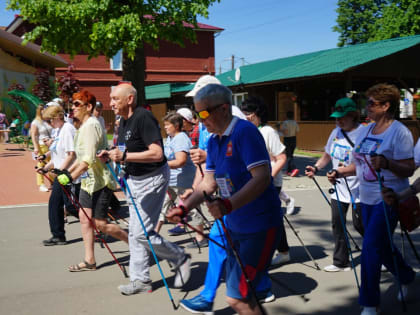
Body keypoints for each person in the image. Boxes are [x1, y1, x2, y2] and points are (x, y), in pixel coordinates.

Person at [167, 84, 283, 315]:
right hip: (235, 227)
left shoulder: (245, 132)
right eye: (196, 113)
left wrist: (228, 204)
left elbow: (261, 179)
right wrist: (183, 207)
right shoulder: (214, 140)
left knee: (237, 298)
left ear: (223, 109)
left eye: (203, 113)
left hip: (260, 227)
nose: (200, 120)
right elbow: (208, 183)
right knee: (241, 297)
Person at [328, 84, 416, 315]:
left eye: (371, 103)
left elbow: (408, 169)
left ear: (386, 106)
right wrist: (339, 173)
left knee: (369, 249)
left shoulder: (399, 132)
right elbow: (358, 163)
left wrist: (387, 163)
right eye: (366, 102)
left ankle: (369, 304)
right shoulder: (367, 130)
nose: (365, 107)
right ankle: (406, 275)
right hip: (364, 197)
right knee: (380, 246)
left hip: (387, 198)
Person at [100, 83, 191, 295]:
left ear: (129, 99)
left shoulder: (143, 117)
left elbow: (157, 153)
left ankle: (178, 256)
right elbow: (125, 149)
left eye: (115, 98)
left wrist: (124, 156)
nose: (111, 103)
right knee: (134, 232)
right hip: (134, 180)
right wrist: (111, 153)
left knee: (141, 232)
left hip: (152, 178)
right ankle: (140, 281)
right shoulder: (123, 122)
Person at [57, 90, 128, 272]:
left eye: (77, 104)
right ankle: (90, 260)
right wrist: (65, 173)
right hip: (88, 182)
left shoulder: (91, 126)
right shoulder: (83, 126)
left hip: (100, 182)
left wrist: (70, 177)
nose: (73, 107)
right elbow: (80, 159)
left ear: (88, 107)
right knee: (84, 218)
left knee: (100, 223)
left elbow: (88, 160)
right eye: (72, 104)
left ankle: (133, 242)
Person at [306, 98, 364, 272]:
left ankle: (382, 254)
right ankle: (340, 261)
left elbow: (364, 164)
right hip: (338, 187)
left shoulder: (363, 133)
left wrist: (342, 171)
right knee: (337, 224)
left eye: (342, 117)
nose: (338, 121)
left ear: (353, 115)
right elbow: (327, 155)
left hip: (360, 188)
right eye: (336, 118)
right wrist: (316, 168)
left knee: (360, 225)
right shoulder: (336, 132)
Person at [241, 96, 292, 266]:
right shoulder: (249, 131)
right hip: (256, 182)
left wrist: (268, 177)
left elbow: (281, 158)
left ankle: (281, 251)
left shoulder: (267, 131)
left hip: (270, 182)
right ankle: (277, 250)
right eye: (243, 113)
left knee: (268, 217)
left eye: (248, 113)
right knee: (269, 217)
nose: (245, 116)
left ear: (256, 114)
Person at [38, 105, 79, 245]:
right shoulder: (59, 130)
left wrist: (60, 170)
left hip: (67, 173)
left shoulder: (67, 129)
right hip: (61, 173)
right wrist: (45, 168)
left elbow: (71, 154)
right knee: (57, 204)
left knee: (71, 206)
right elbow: (57, 155)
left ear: (56, 117)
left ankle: (97, 223)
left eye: (49, 120)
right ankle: (58, 235)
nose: (49, 124)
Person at [155, 112, 196, 236]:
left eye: (168, 125)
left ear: (176, 125)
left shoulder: (181, 138)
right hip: (171, 180)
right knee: (163, 206)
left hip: (183, 180)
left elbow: (181, 161)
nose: (165, 127)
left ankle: (201, 237)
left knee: (193, 209)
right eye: (165, 125)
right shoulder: (170, 138)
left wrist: (160, 166)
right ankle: (153, 234)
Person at [30, 106, 53, 192]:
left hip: (51, 146)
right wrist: (36, 147)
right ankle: (41, 184)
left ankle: (52, 183)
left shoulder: (48, 120)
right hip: (42, 146)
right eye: (44, 110)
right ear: (40, 111)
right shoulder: (36, 122)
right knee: (41, 165)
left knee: (51, 165)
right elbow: (33, 135)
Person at [281, 111, 299, 177]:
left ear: (286, 116)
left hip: (287, 139)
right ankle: (289, 171)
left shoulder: (285, 123)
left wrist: (280, 130)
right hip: (293, 138)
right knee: (290, 154)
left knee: (288, 155)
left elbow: (284, 131)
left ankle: (294, 168)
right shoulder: (295, 122)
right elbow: (297, 131)